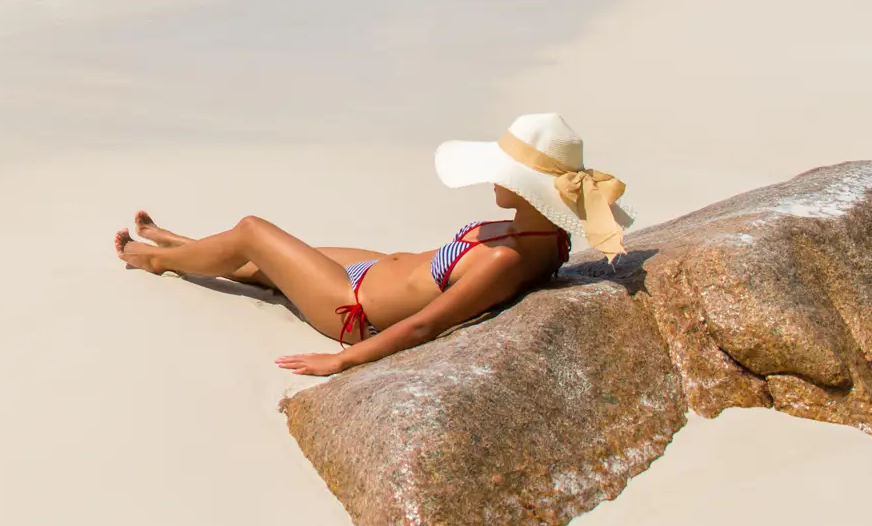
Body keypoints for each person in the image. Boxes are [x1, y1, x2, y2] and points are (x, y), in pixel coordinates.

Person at [113, 113, 631, 377]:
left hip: (354, 308)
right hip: (374, 272)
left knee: (253, 231)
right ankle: (181, 244)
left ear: (523, 186)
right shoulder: (548, 234)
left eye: (501, 172)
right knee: (274, 255)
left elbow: (430, 322)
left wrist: (343, 361)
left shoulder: (507, 257)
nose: (491, 180)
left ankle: (156, 258)